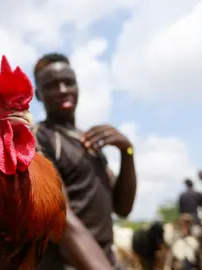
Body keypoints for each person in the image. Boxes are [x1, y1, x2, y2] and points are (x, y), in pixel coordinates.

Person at [32, 53, 137, 270]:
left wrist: (127, 152)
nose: (62, 90)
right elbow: (61, 216)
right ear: (38, 95)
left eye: (68, 82)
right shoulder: (40, 138)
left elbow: (122, 208)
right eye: (51, 86)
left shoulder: (88, 140)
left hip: (104, 260)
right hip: (67, 264)